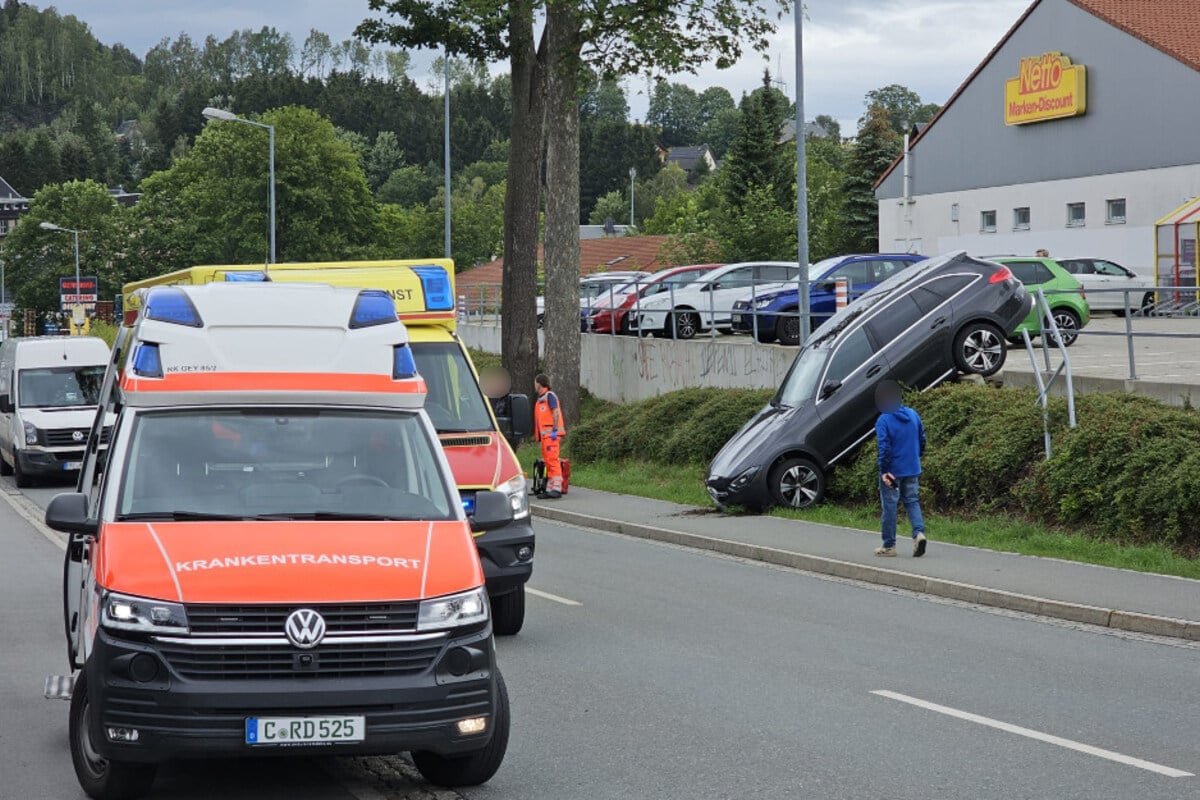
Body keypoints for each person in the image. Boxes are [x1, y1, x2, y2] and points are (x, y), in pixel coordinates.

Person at [874, 380, 927, 557]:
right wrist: (916, 457)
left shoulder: (884, 420)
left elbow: (884, 448)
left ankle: (889, 546)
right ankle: (918, 534)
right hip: (912, 467)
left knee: (890, 506)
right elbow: (922, 439)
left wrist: (883, 471)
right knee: (912, 501)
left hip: (892, 471)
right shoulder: (913, 414)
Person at [533, 373, 566, 499]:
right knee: (548, 461)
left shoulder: (549, 396)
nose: (534, 385)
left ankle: (556, 488)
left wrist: (554, 430)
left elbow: (556, 412)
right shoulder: (541, 399)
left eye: (535, 383)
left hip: (551, 436)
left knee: (552, 461)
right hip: (546, 437)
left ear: (539, 383)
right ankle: (550, 489)